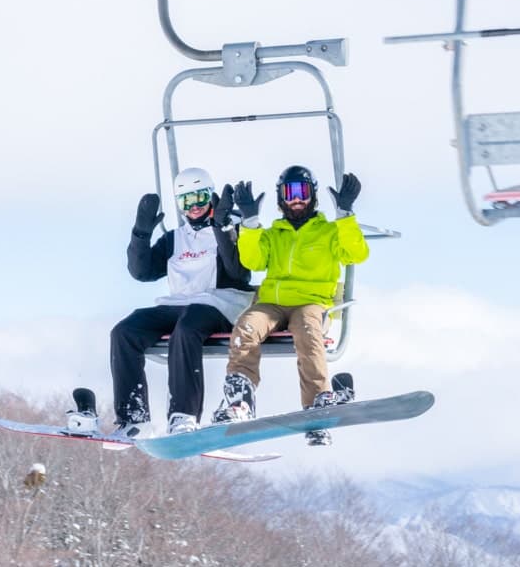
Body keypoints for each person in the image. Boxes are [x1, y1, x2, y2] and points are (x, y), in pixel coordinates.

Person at [210, 165, 369, 446]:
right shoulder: (273, 234)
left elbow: (356, 253)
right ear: (280, 198)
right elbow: (253, 261)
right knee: (246, 326)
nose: (297, 199)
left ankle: (317, 404)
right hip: (272, 303)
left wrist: (345, 214)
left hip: (312, 302)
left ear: (313, 196)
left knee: (309, 330)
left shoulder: (330, 232)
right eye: (290, 192)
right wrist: (249, 222)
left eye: (303, 192)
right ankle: (240, 398)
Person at [107, 167, 255, 439]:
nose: (195, 207)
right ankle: (132, 417)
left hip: (220, 304)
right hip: (179, 304)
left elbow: (239, 272)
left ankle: (184, 415)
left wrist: (222, 228)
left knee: (186, 328)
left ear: (210, 195)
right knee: (124, 331)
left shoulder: (230, 229)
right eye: (186, 201)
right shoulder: (175, 238)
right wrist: (141, 232)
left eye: (199, 198)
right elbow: (142, 272)